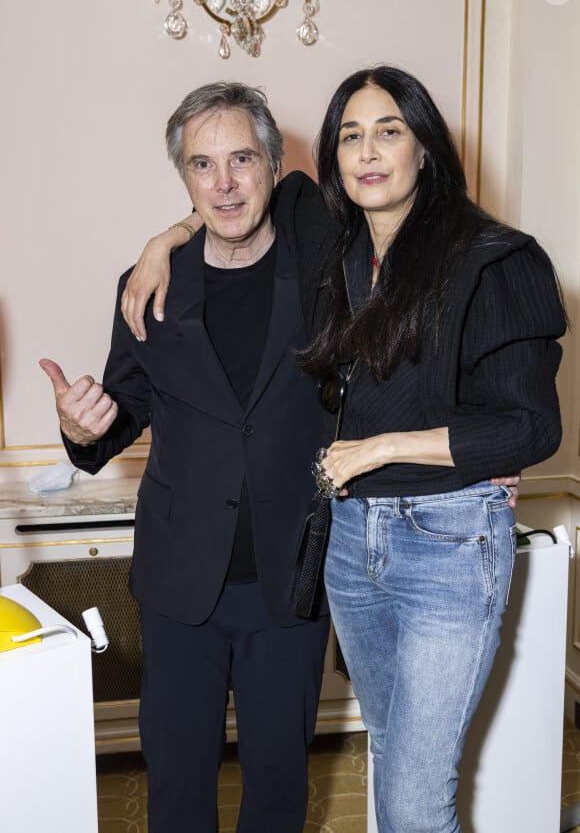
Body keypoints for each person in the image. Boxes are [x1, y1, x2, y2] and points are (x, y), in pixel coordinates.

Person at [121, 67, 565, 831]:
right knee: (392, 765)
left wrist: (385, 447)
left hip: (443, 537)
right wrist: (168, 236)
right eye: (350, 135)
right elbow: (244, 198)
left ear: (426, 146)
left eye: (389, 130)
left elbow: (529, 425)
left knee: (415, 794)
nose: (367, 150)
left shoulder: (495, 256)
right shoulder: (336, 241)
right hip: (352, 542)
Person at [39, 83, 331, 833]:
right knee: (175, 787)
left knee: (277, 789)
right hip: (177, 586)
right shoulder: (147, 288)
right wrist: (80, 424)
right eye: (202, 165)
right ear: (185, 179)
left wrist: (163, 232)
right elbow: (120, 415)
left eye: (241, 159)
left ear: (271, 164)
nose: (224, 182)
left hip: (289, 583)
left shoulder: (324, 273)